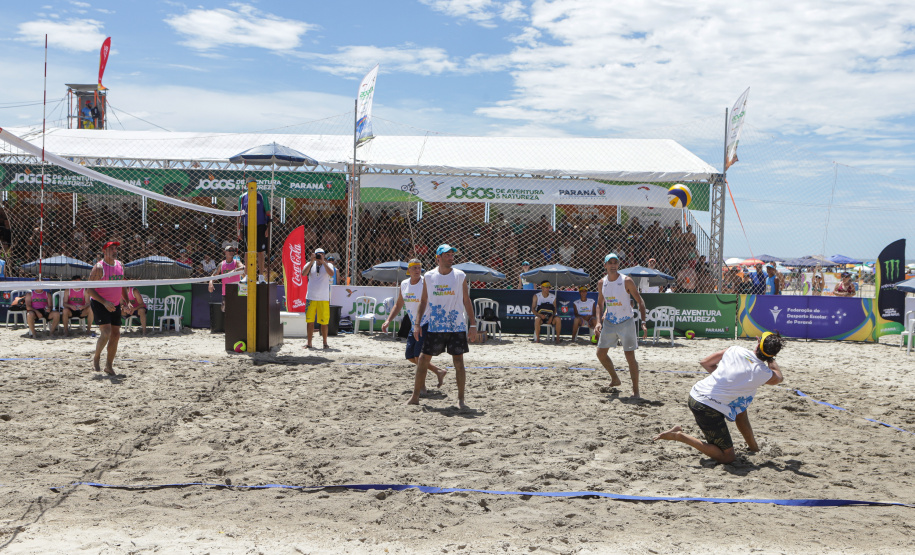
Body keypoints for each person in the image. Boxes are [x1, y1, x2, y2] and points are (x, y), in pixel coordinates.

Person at [653, 332, 786, 464]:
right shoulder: (764, 373)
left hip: (697, 394)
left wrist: (725, 378)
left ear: (758, 341)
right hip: (705, 406)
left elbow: (705, 362)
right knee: (728, 457)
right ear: (773, 355)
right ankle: (679, 436)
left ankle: (754, 448)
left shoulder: (735, 350)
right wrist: (771, 358)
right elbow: (779, 377)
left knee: (741, 411)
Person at [408, 244, 477, 408]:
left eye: (452, 254)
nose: (451, 257)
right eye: (447, 255)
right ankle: (415, 396)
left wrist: (473, 325)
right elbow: (423, 301)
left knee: (459, 362)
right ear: (438, 258)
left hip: (456, 326)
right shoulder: (429, 277)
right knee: (423, 359)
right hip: (435, 325)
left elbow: (466, 300)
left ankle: (461, 400)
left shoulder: (460, 275)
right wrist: (417, 324)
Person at [382, 259, 447, 391]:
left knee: (419, 356)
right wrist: (388, 320)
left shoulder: (426, 282)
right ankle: (438, 371)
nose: (417, 270)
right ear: (409, 270)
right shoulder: (404, 284)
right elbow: (399, 304)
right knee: (411, 357)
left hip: (426, 322)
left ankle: (421, 387)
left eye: (419, 268)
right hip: (414, 324)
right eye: (415, 268)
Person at [595, 253, 647, 398]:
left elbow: (640, 301)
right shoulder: (601, 283)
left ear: (618, 265)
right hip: (610, 322)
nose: (613, 265)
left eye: (615, 262)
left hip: (626, 322)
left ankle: (635, 390)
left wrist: (643, 322)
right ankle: (615, 379)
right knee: (600, 353)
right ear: (605, 265)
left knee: (630, 356)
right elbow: (600, 304)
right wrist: (599, 321)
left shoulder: (626, 281)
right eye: (610, 262)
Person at [87, 241, 129, 375]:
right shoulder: (99, 268)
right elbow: (89, 290)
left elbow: (122, 285)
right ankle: (96, 357)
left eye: (116, 248)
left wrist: (126, 302)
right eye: (111, 249)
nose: (115, 250)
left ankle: (109, 365)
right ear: (104, 252)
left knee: (116, 335)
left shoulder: (120, 264)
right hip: (100, 303)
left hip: (115, 304)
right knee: (106, 333)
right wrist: (104, 302)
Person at [237, 177, 270, 284]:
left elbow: (268, 213)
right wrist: (239, 230)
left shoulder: (262, 195)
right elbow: (239, 215)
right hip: (247, 226)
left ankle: (261, 276)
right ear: (247, 185)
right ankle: (247, 275)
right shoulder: (242, 197)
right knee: (247, 252)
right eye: (251, 184)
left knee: (260, 252)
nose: (253, 186)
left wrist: (268, 228)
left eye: (255, 183)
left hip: (260, 225)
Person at [301, 247, 334, 349]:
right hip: (311, 297)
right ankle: (309, 343)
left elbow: (332, 274)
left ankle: (325, 343)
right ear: (314, 255)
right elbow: (303, 273)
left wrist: (323, 262)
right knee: (310, 321)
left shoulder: (329, 265)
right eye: (318, 254)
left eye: (322, 254)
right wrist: (311, 261)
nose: (320, 256)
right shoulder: (310, 264)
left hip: (323, 298)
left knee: (324, 322)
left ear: (324, 255)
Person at [208, 245, 244, 311]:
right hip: (226, 293)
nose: (231, 252)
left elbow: (243, 268)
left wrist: (234, 271)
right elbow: (214, 275)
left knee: (237, 312)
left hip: (237, 292)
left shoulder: (236, 262)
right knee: (225, 312)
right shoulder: (221, 264)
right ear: (225, 252)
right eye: (229, 250)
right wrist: (210, 283)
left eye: (232, 251)